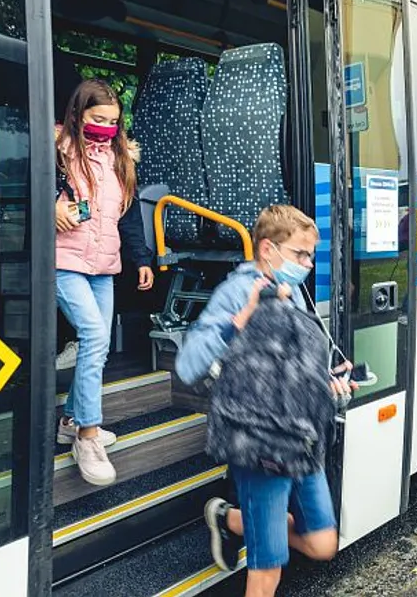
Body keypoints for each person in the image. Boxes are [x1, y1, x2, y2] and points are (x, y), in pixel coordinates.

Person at [175, 205, 353, 597]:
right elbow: (188, 365)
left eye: (310, 256)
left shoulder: (293, 294)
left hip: (301, 441)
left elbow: (290, 364)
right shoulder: (237, 291)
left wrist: (327, 380)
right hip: (260, 444)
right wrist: (239, 321)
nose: (307, 264)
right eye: (300, 255)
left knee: (324, 544)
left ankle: (230, 519)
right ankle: (248, 525)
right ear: (268, 249)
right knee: (267, 569)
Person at [55, 79, 154, 486]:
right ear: (78, 115)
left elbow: (127, 217)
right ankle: (88, 435)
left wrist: (142, 259)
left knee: (99, 347)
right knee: (94, 335)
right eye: (98, 120)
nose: (106, 128)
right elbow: (25, 193)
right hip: (65, 261)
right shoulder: (57, 152)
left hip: (104, 267)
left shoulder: (119, 161)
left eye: (113, 122)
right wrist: (52, 205)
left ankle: (69, 420)